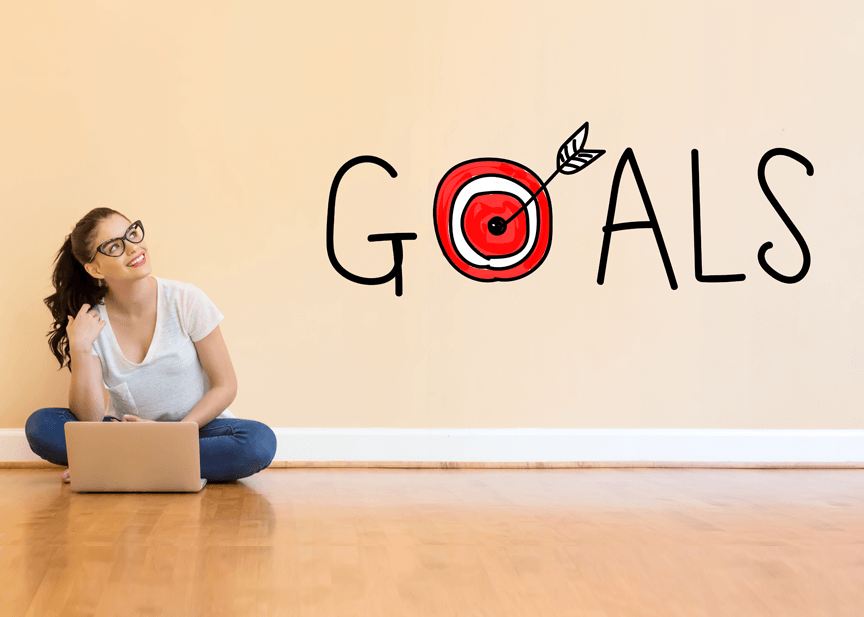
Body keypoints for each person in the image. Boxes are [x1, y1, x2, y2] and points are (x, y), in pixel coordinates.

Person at [25, 208, 277, 483]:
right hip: (125, 432)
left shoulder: (186, 300)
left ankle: (122, 463)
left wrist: (174, 435)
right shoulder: (91, 321)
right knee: (40, 425)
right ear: (94, 268)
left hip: (195, 428)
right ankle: (159, 462)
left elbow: (225, 385)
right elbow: (90, 420)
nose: (134, 248)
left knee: (258, 442)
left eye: (132, 233)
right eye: (115, 246)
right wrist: (81, 348)